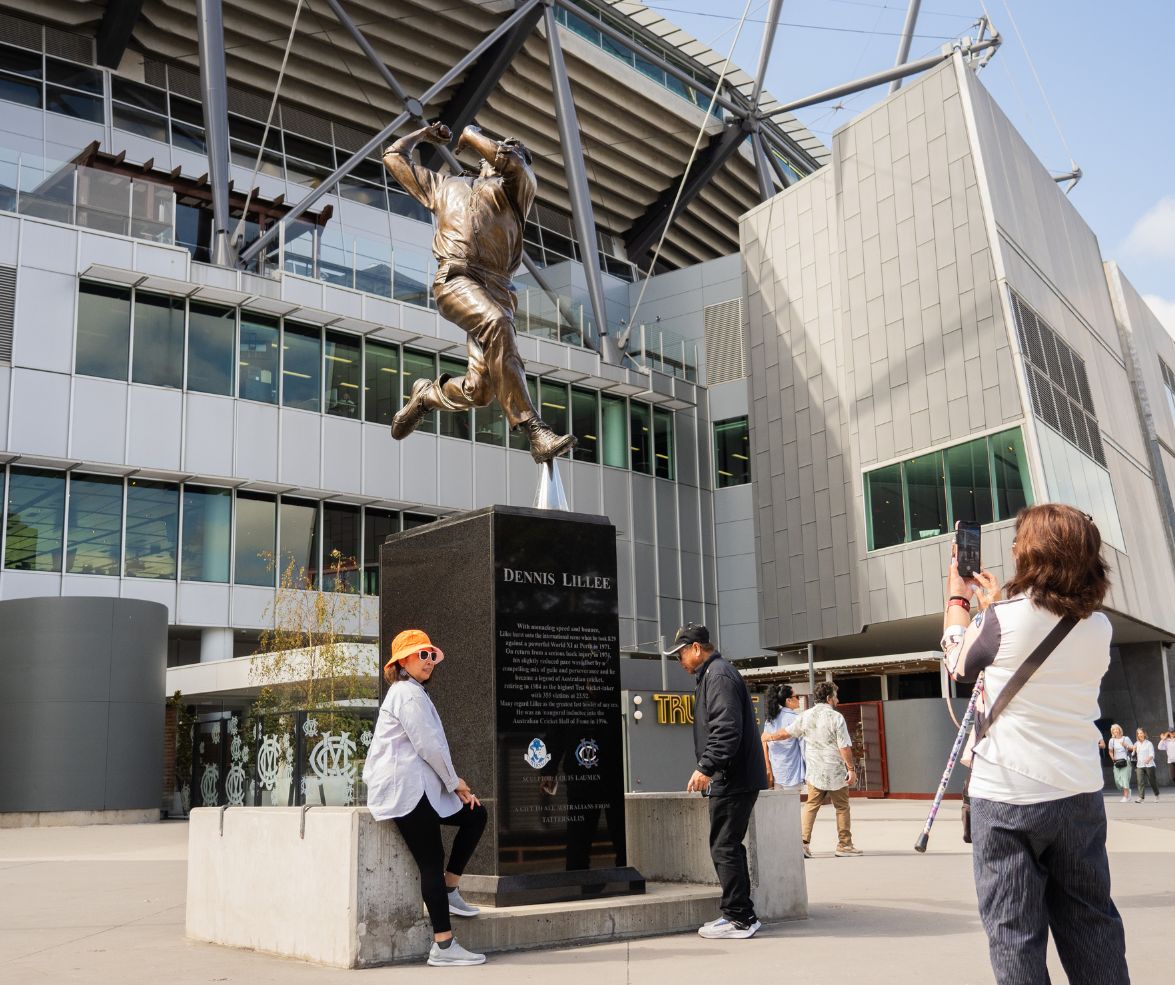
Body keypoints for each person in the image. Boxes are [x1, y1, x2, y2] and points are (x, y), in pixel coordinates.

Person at [941, 503, 1129, 985]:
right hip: (1079, 793)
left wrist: (958, 603)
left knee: (1014, 932)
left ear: (1034, 554)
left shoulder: (1003, 619)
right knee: (1091, 920)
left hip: (1007, 796)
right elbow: (1035, 644)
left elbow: (959, 665)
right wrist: (994, 607)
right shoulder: (1100, 627)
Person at [382, 121, 575, 464]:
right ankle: (534, 430)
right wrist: (423, 135)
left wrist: (469, 133)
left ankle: (426, 396)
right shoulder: (445, 186)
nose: (509, 152)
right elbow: (394, 157)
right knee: (498, 323)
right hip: (456, 277)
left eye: (515, 149)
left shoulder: (517, 189)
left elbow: (513, 164)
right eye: (506, 145)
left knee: (481, 390)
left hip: (497, 288)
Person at [363, 629, 489, 967]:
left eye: (432, 655)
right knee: (431, 860)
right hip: (405, 789)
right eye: (422, 655)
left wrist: (451, 783)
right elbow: (428, 745)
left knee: (475, 815)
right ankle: (444, 947)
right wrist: (455, 781)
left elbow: (430, 746)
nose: (429, 661)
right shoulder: (406, 693)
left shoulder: (412, 692)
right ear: (402, 660)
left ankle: (450, 889)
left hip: (419, 787)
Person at [666, 622, 768, 939]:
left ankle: (740, 918)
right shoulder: (714, 674)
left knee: (725, 847)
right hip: (732, 777)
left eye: (680, 654)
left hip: (732, 778)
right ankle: (739, 914)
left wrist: (707, 767)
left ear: (696, 648)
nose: (679, 661)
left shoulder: (719, 675)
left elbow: (726, 729)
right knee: (727, 846)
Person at [770, 681, 860, 858]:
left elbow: (787, 733)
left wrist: (769, 736)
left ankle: (803, 844)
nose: (838, 700)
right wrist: (851, 768)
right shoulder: (836, 717)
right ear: (828, 698)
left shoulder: (805, 716)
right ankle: (844, 845)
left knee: (811, 806)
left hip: (814, 771)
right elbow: (844, 747)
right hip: (835, 771)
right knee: (842, 807)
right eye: (835, 696)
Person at [761, 683, 806, 792]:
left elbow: (764, 742)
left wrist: (768, 767)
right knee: (792, 807)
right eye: (796, 696)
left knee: (780, 807)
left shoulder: (770, 719)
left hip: (777, 772)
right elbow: (804, 747)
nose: (798, 699)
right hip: (793, 772)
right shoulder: (796, 719)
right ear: (788, 700)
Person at [1106, 724, 1134, 802]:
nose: (1115, 731)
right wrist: (1112, 758)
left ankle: (1125, 796)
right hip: (1116, 762)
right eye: (1114, 730)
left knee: (1124, 779)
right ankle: (1128, 791)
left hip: (1125, 761)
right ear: (1112, 732)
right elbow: (1110, 751)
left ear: (1119, 730)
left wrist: (1126, 746)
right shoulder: (1111, 740)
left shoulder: (1126, 738)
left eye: (1116, 729)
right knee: (1117, 781)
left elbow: (1133, 748)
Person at [1133, 728, 1159, 802]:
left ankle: (1156, 795)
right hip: (1139, 765)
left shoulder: (1148, 743)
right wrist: (1134, 749)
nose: (1139, 735)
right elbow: (1133, 755)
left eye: (1141, 733)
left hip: (1149, 765)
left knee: (1152, 781)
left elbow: (1152, 754)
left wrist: (1148, 759)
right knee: (1140, 781)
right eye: (1138, 733)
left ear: (1144, 733)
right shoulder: (1136, 743)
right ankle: (1141, 797)